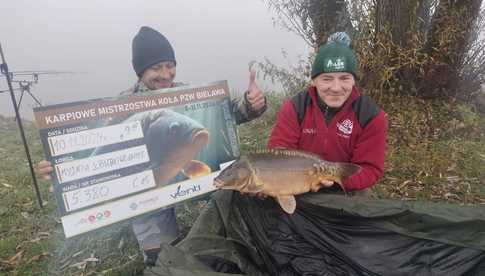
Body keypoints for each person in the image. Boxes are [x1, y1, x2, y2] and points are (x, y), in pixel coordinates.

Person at [37, 26, 267, 265]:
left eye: (170, 65)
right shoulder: (121, 105)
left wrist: (252, 104)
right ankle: (157, 248)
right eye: (157, 68)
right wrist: (59, 170)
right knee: (161, 258)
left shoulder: (187, 94)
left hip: (184, 174)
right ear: (140, 71)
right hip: (147, 188)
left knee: (226, 201)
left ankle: (227, 235)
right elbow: (93, 148)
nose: (166, 74)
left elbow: (226, 115)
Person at [267, 32, 387, 193]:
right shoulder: (295, 107)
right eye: (327, 79)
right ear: (314, 80)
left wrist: (332, 179)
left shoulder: (370, 116)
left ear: (354, 80)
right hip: (299, 181)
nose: (336, 88)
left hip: (348, 187)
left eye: (344, 78)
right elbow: (278, 153)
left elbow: (370, 169)